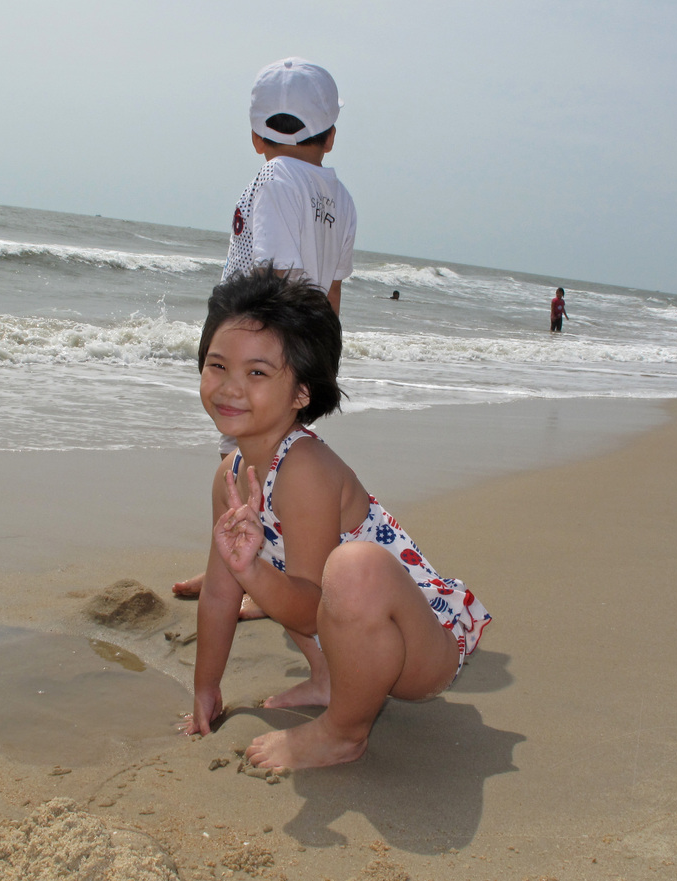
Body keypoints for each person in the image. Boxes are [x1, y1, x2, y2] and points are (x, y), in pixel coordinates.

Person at [182, 268, 492, 770]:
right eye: (217, 365)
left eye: (257, 373)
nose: (230, 387)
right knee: (275, 567)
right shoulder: (230, 475)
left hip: (415, 646)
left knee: (349, 568)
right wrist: (205, 688)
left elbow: (309, 610)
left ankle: (343, 734)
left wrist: (251, 571)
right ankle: (331, 680)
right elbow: (220, 593)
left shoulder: (303, 468)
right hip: (347, 630)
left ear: (301, 393)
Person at [173, 57, 358, 605]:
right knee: (270, 461)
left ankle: (242, 572)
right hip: (296, 354)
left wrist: (251, 358)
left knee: (241, 460)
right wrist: (317, 364)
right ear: (331, 136)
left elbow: (277, 272)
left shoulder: (274, 178)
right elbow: (333, 290)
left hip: (260, 349)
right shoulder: (341, 198)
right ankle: (249, 568)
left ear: (256, 137)